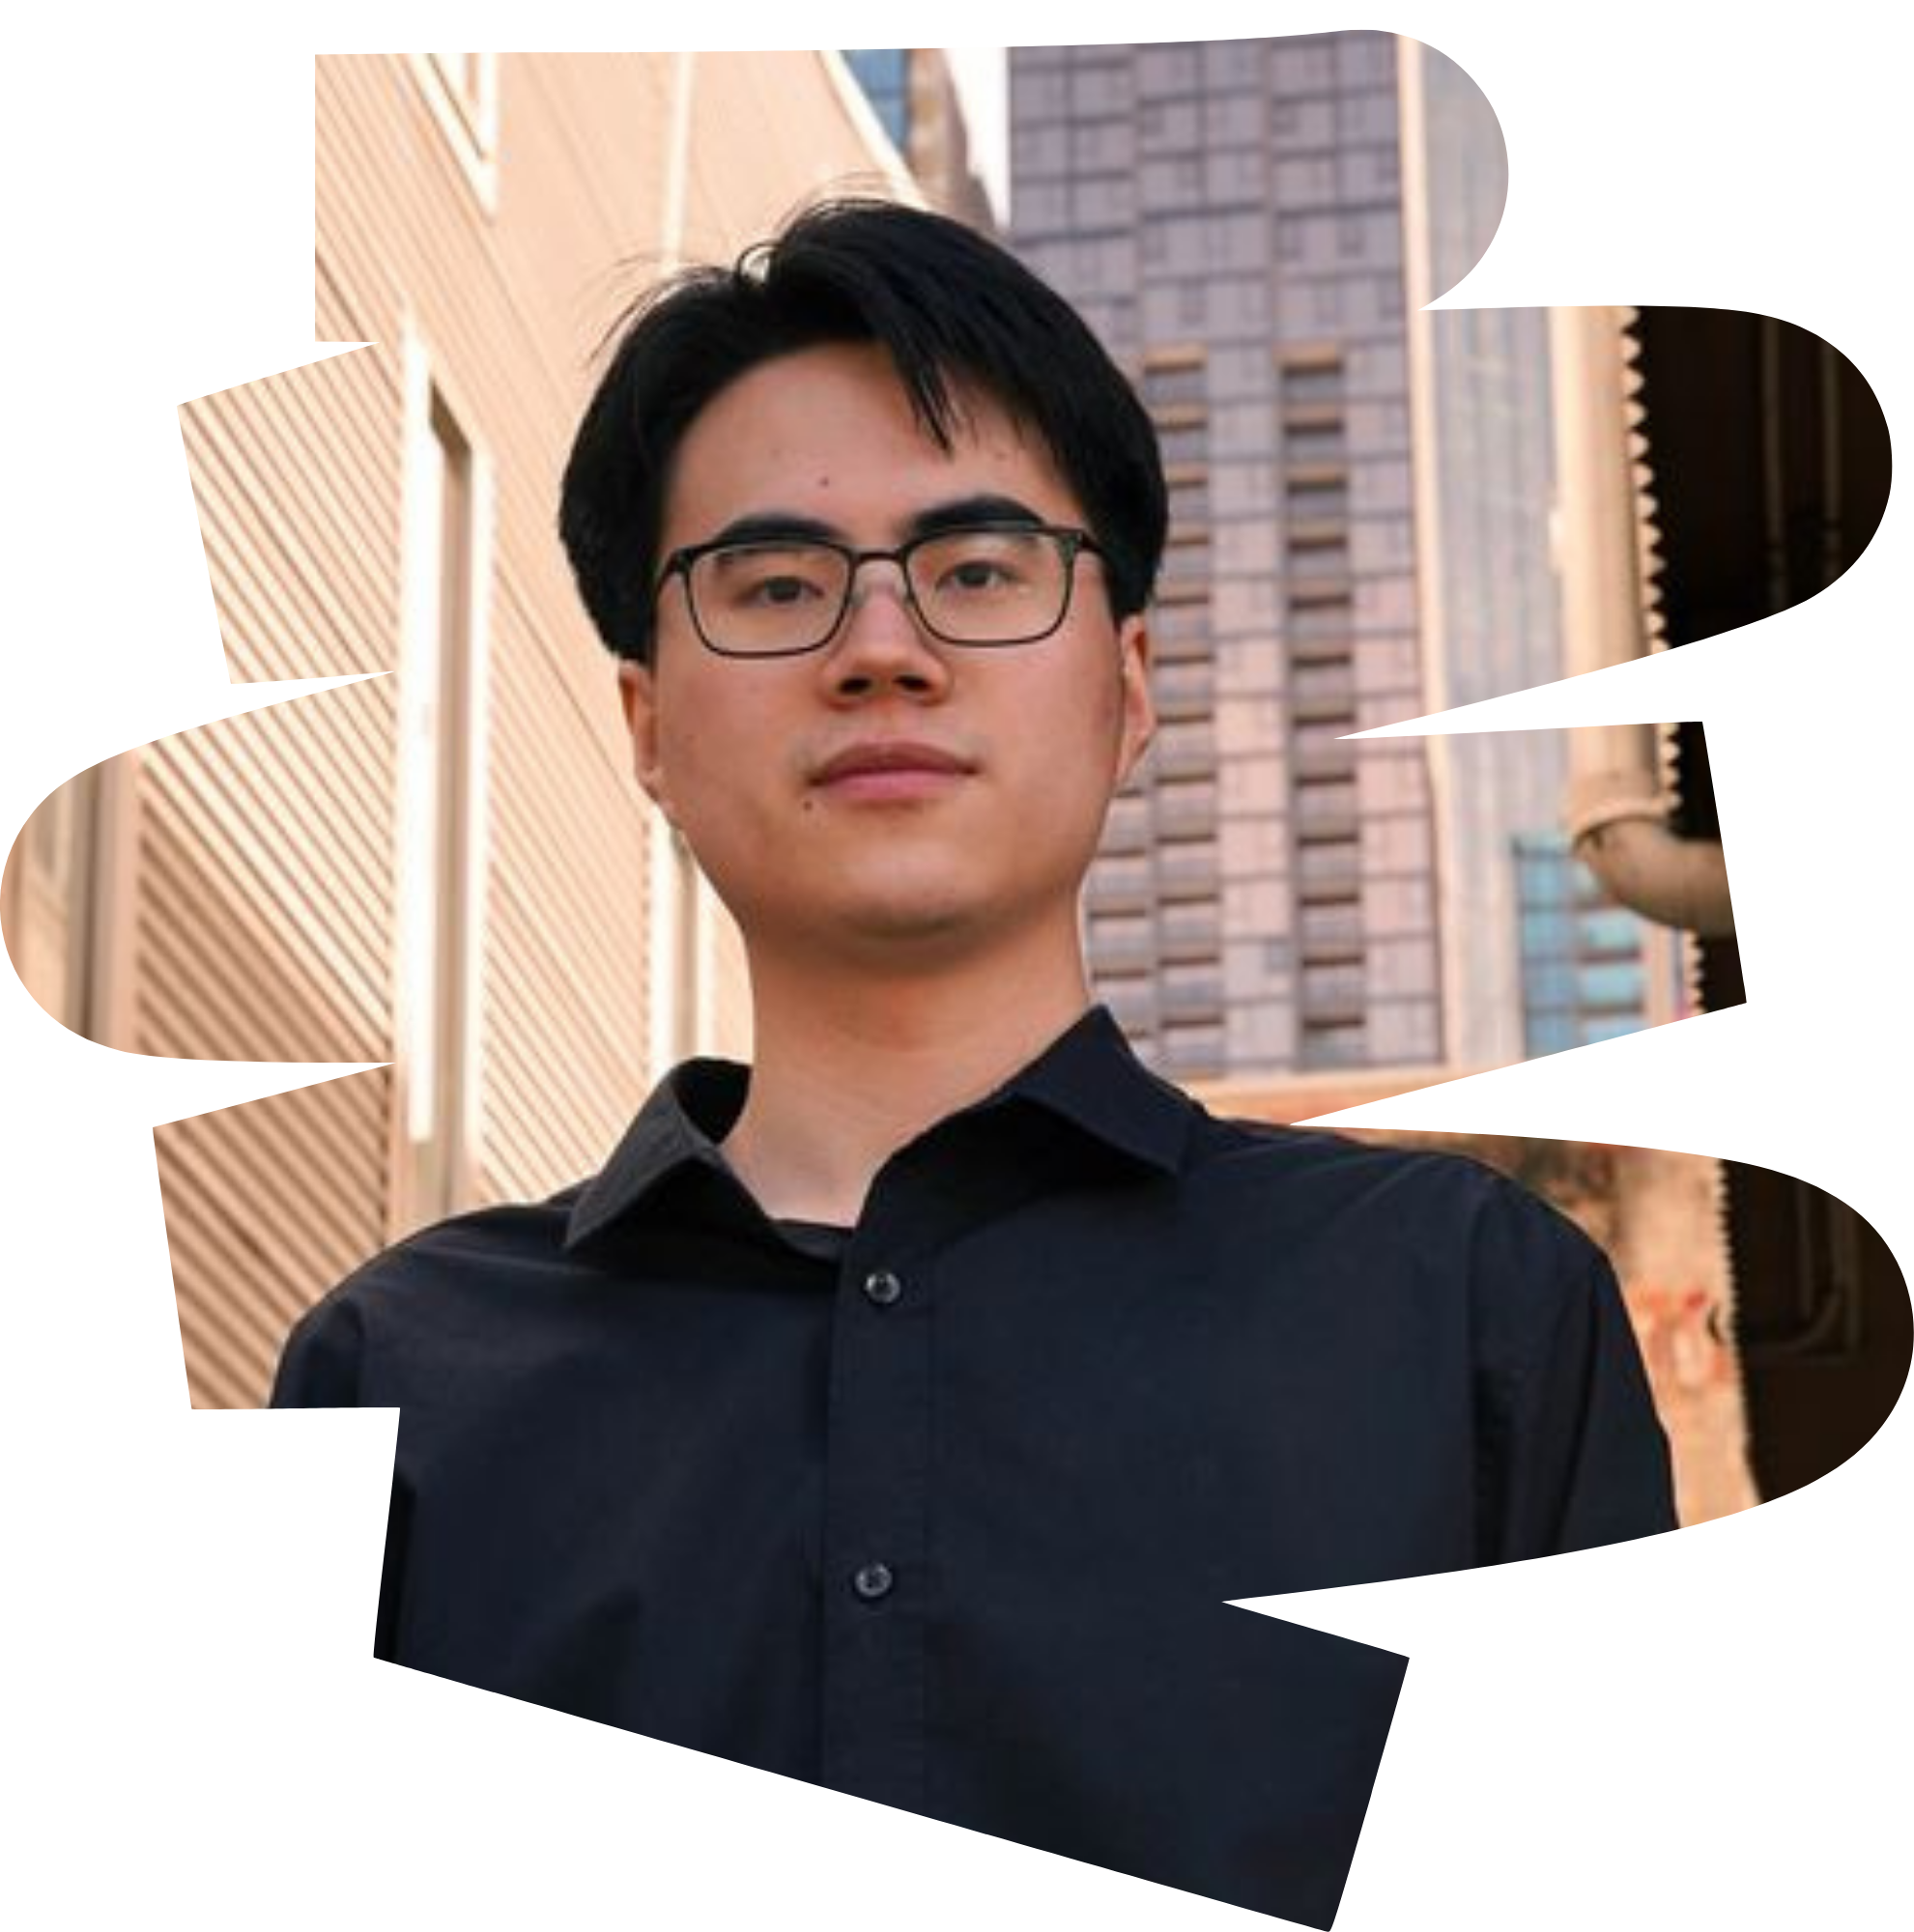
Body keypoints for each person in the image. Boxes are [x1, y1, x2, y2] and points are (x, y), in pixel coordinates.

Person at [271, 198, 1677, 1919]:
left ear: (1131, 682)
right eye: (776, 584)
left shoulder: (1466, 1319)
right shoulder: (396, 1379)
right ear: (645, 722)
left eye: (982, 569)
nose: (882, 648)